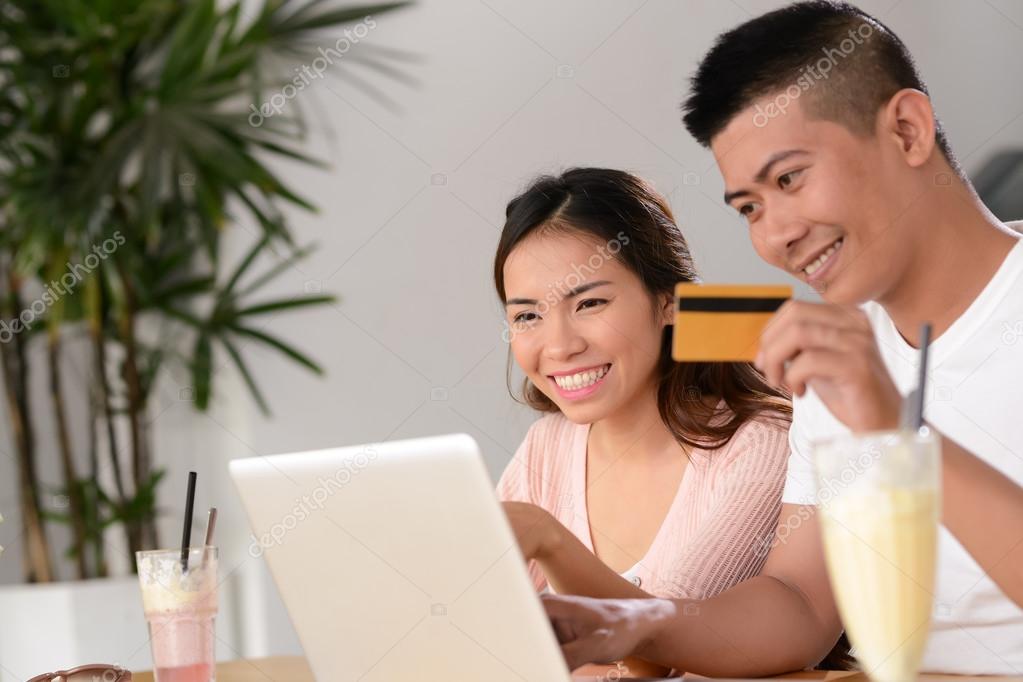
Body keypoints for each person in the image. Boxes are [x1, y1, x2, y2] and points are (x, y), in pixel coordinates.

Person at [539, 1, 1023, 677]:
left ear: (907, 131)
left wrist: (892, 428)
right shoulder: (840, 358)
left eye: (789, 179)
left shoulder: (861, 376)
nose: (775, 236)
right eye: (750, 208)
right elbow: (798, 605)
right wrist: (632, 620)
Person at [493, 168, 793, 676]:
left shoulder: (759, 442)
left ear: (667, 303)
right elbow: (485, 633)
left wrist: (548, 537)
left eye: (589, 303)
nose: (560, 345)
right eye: (527, 316)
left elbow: (656, 651)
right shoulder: (547, 446)